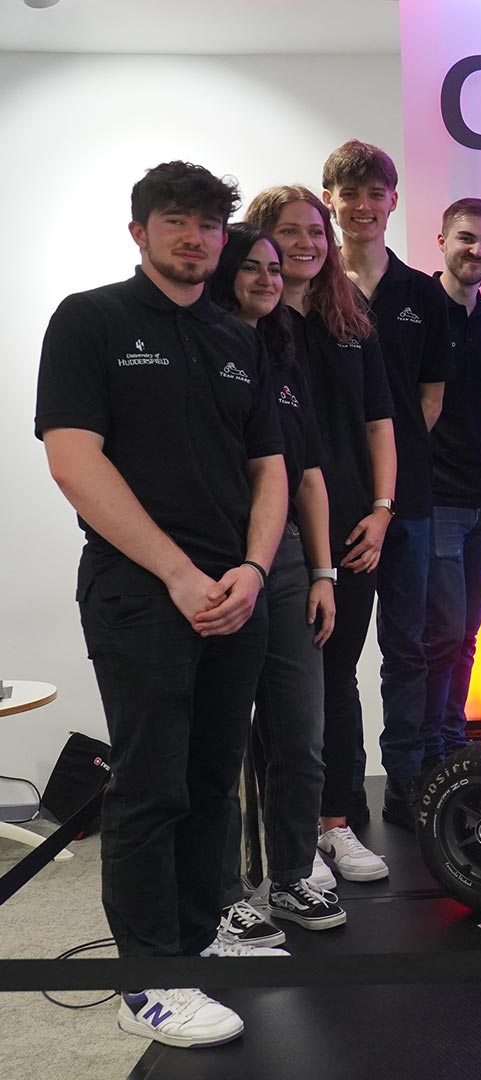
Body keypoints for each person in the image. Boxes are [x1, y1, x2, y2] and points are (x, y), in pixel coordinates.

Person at [37, 161, 289, 1050]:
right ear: (139, 231)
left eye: (208, 225)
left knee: (211, 782)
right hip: (142, 594)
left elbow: (269, 470)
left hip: (237, 593)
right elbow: (74, 460)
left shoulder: (237, 337)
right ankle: (146, 983)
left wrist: (256, 570)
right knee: (148, 788)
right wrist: (179, 573)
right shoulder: (91, 319)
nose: (194, 238)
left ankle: (192, 939)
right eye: (175, 221)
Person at [246, 185, 394, 884]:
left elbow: (380, 423)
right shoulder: (250, 320)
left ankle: (335, 823)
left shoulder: (350, 313)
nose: (306, 242)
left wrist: (383, 507)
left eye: (314, 231)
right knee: (283, 686)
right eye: (289, 232)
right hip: (276, 529)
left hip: (354, 526)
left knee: (337, 677)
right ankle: (290, 834)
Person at [206, 222, 348, 943]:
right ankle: (227, 892)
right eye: (253, 267)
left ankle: (293, 877)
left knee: (300, 730)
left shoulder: (286, 357)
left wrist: (322, 570)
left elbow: (310, 474)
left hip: (289, 559)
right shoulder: (196, 349)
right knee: (224, 740)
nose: (267, 278)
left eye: (274, 267)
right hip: (215, 555)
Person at [322, 140, 452, 826]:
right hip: (336, 502)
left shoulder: (420, 294)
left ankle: (403, 776)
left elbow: (428, 399)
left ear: (393, 202)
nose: (364, 207)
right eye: (352, 194)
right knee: (336, 651)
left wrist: (388, 473)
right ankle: (341, 790)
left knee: (408, 645)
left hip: (412, 501)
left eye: (377, 194)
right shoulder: (312, 289)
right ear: (331, 200)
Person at [422, 198, 481, 771]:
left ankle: (453, 745)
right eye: (466, 239)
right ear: (442, 241)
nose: (476, 251)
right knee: (440, 637)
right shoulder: (417, 309)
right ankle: (427, 753)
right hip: (433, 498)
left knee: (467, 637)